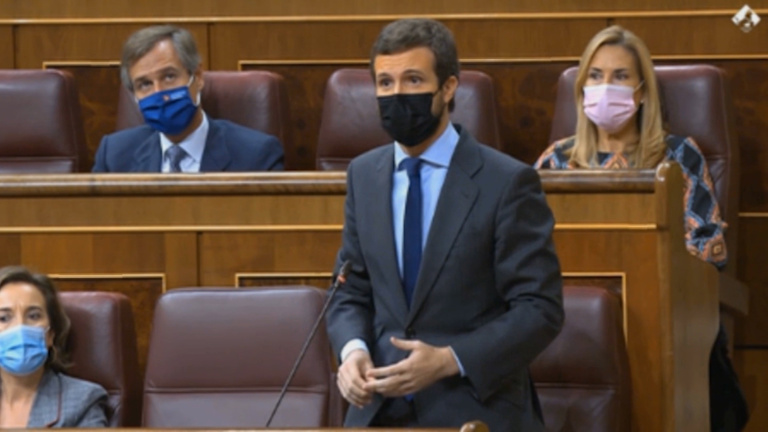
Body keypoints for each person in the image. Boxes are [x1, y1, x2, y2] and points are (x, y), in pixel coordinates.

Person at [326, 18, 563, 431]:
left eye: (413, 80)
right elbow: (350, 290)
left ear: (448, 87)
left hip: (474, 408)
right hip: (380, 407)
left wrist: (450, 359)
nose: (397, 94)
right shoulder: (363, 176)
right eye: (385, 83)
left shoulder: (506, 182)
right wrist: (353, 351)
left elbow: (539, 309)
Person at [534, 25, 749, 432]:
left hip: (664, 319)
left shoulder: (677, 156)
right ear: (581, 91)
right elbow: (523, 243)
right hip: (571, 325)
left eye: (620, 76)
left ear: (642, 92)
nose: (605, 87)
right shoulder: (555, 162)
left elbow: (708, 245)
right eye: (595, 76)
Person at [93, 25, 284, 173]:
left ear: (198, 77)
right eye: (145, 84)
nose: (159, 93)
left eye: (169, 76)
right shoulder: (114, 156)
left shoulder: (256, 155)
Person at [0, 266, 108, 427]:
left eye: (33, 316)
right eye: (3, 318)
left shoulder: (83, 400)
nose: (20, 327)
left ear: (50, 334)